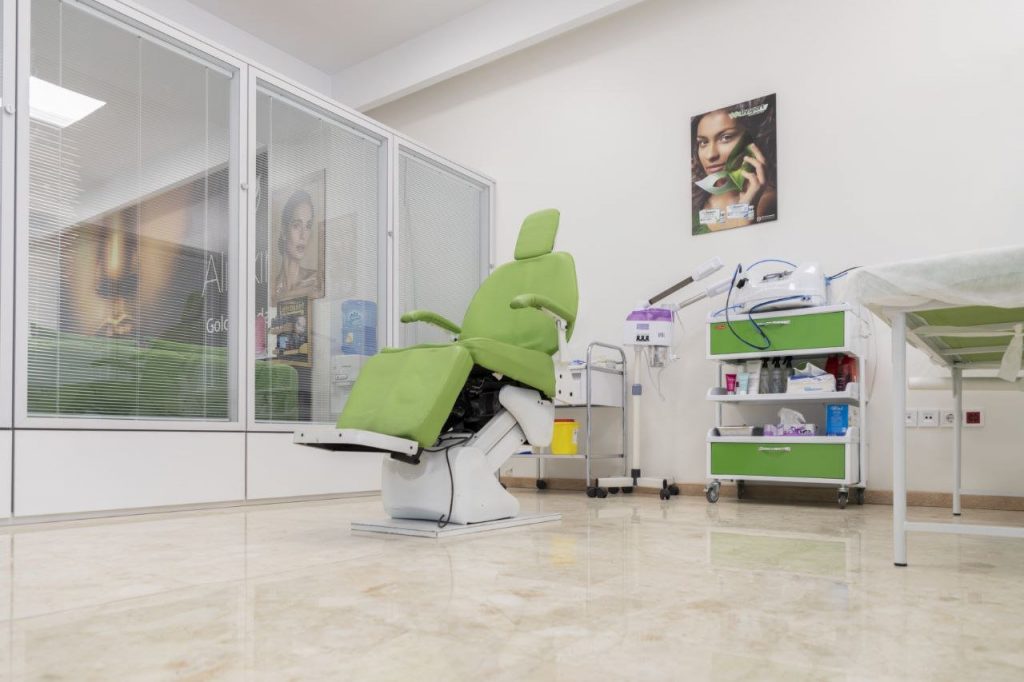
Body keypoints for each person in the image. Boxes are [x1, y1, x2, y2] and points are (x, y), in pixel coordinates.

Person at [691, 104, 777, 234]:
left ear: (752, 141)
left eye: (726, 138)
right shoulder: (696, 198)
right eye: (703, 142)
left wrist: (746, 210)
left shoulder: (767, 202)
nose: (710, 155)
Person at [273, 189, 322, 303]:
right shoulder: (271, 288)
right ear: (284, 231)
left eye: (308, 226)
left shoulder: (315, 280)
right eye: (296, 225)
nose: (303, 235)